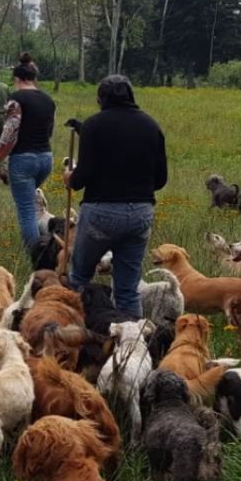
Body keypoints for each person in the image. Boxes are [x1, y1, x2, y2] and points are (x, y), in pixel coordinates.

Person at [64, 75, 168, 316]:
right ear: (131, 96)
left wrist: (70, 178)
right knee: (128, 290)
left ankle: (75, 338)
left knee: (78, 279)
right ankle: (133, 347)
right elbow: (160, 180)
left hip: (101, 212)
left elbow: (82, 178)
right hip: (141, 213)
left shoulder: (93, 125)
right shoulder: (152, 126)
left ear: (101, 98)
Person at [0, 53, 55, 252]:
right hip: (46, 158)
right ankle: (46, 244)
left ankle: (36, 254)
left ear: (17, 79)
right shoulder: (48, 100)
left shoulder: (15, 99)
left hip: (23, 159)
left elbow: (10, 133)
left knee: (26, 211)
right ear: (34, 78)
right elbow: (50, 131)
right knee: (31, 204)